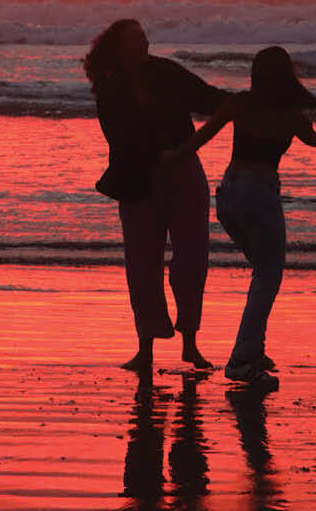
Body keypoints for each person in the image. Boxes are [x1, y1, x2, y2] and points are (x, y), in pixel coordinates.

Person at [166, 46, 316, 388]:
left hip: (229, 194)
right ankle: (243, 358)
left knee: (263, 272)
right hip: (260, 196)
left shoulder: (240, 103)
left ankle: (254, 348)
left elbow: (198, 139)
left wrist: (170, 157)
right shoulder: (291, 115)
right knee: (268, 275)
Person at [85, 19, 228, 372]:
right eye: (136, 40)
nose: (144, 44)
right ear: (118, 48)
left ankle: (190, 343)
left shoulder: (167, 72)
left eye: (145, 38)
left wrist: (246, 102)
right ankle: (145, 347)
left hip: (184, 172)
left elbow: (210, 99)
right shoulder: (110, 89)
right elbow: (119, 140)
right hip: (137, 178)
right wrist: (159, 154)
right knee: (142, 263)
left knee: (193, 257)